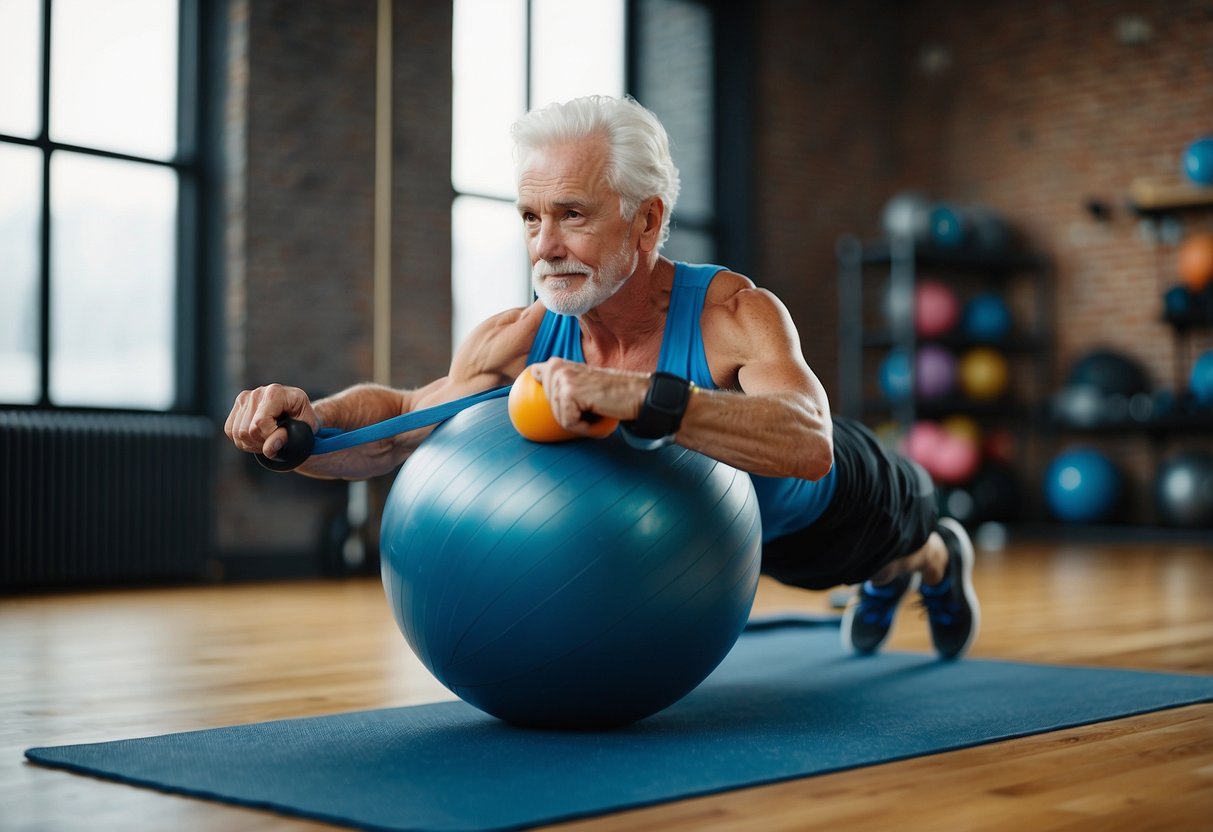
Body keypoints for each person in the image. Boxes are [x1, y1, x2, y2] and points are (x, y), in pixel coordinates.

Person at [225, 95, 979, 659]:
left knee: (894, 552)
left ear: (646, 222)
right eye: (528, 218)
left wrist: (636, 397)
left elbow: (808, 442)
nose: (544, 247)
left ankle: (934, 560)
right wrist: (302, 428)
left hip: (829, 509)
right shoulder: (517, 338)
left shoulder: (732, 312)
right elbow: (398, 428)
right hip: (714, 548)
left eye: (572, 215)